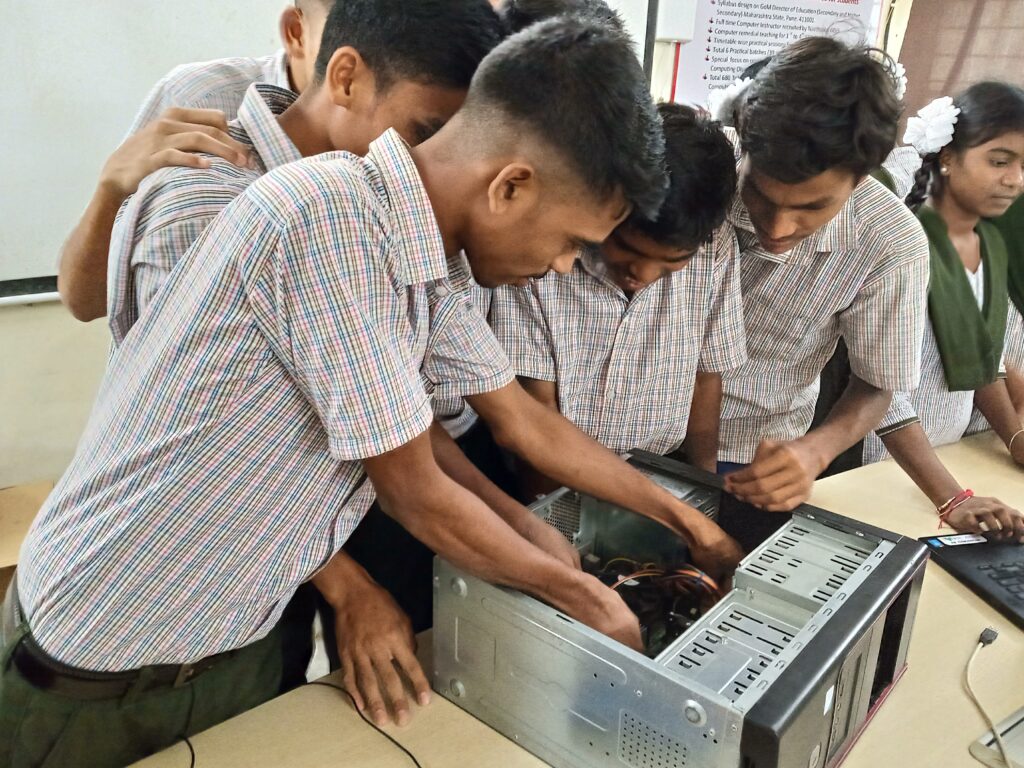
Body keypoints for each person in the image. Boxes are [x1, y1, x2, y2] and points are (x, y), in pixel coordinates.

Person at [0, 18, 674, 766]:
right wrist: (583, 599)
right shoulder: (332, 217)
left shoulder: (428, 260)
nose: (565, 266)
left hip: (232, 638)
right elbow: (413, 490)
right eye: (573, 242)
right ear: (510, 185)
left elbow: (490, 421)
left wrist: (547, 531)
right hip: (102, 657)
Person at [710, 37, 930, 550]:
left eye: (811, 207)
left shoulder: (890, 244)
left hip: (754, 457)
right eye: (760, 194)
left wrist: (814, 451)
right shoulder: (702, 169)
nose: (777, 227)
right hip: (630, 431)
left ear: (861, 177)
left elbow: (877, 385)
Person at [488, 102, 743, 494]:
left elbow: (706, 378)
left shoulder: (715, 249)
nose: (642, 275)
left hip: (664, 467)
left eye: (669, 264)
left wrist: (705, 485)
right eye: (627, 249)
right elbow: (536, 412)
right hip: (556, 474)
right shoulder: (543, 263)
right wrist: (551, 510)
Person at [57, 0, 333, 322]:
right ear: (296, 31)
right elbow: (84, 302)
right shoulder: (200, 98)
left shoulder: (384, 114)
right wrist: (110, 192)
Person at [862, 82, 1024, 539]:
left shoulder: (980, 236)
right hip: (888, 463)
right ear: (949, 157)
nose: (1016, 180)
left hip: (948, 458)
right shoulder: (903, 236)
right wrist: (949, 495)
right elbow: (877, 381)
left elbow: (983, 353)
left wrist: (1013, 436)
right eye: (999, 162)